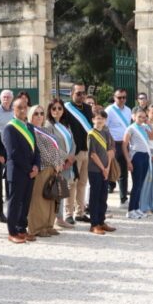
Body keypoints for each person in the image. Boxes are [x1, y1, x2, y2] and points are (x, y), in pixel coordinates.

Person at [1, 97, 40, 243]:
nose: (23, 110)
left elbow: (35, 149)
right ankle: (12, 232)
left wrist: (36, 165)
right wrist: (29, 168)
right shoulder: (9, 128)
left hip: (30, 172)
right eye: (19, 108)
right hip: (17, 171)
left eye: (25, 107)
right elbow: (13, 153)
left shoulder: (29, 127)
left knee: (26, 202)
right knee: (15, 203)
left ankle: (22, 229)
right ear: (13, 109)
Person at [27, 104, 64, 238]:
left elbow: (56, 149)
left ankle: (48, 225)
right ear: (30, 115)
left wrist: (59, 163)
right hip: (43, 168)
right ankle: (37, 227)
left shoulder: (46, 130)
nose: (39, 116)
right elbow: (41, 151)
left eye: (41, 113)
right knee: (39, 199)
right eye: (36, 113)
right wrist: (55, 163)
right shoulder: (31, 130)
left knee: (51, 198)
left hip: (54, 168)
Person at [61, 83, 92, 224]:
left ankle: (80, 212)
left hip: (87, 150)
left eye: (83, 93)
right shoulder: (67, 109)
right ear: (71, 94)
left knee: (83, 183)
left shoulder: (87, 108)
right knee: (71, 183)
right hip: (74, 152)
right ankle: (68, 213)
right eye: (78, 93)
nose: (81, 96)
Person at [46, 99, 76, 229]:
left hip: (67, 163)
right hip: (56, 163)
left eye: (59, 108)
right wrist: (65, 158)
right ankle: (53, 219)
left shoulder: (65, 125)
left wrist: (71, 157)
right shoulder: (48, 126)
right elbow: (52, 146)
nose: (57, 111)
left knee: (62, 190)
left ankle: (60, 218)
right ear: (50, 110)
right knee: (55, 191)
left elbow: (73, 142)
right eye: (54, 108)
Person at [87, 106, 116, 235]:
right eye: (97, 118)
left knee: (103, 196)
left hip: (106, 168)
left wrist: (108, 167)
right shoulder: (91, 134)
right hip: (95, 169)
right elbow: (92, 154)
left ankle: (101, 221)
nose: (100, 121)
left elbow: (110, 150)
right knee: (95, 196)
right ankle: (94, 224)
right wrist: (102, 168)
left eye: (102, 118)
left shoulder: (106, 132)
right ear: (93, 119)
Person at [123, 106, 152, 219]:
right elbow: (124, 145)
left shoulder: (145, 128)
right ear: (133, 116)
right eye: (139, 116)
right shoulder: (130, 128)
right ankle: (131, 210)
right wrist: (128, 160)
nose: (142, 119)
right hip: (136, 156)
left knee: (141, 184)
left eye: (144, 117)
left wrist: (148, 124)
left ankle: (137, 208)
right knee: (136, 184)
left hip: (145, 156)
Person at [105, 88, 133, 204]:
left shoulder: (128, 110)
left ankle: (123, 197)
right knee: (109, 169)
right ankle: (105, 194)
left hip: (124, 143)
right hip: (113, 144)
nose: (122, 100)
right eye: (119, 97)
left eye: (124, 97)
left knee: (123, 172)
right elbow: (105, 128)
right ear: (114, 97)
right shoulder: (109, 110)